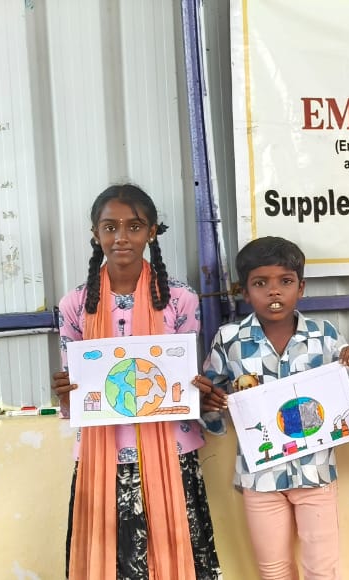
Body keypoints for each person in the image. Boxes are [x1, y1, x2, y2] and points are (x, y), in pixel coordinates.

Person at [50, 184, 224, 579]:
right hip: (103, 457)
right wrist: (65, 392)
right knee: (113, 563)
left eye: (134, 226)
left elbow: (186, 378)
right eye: (110, 227)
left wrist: (200, 393)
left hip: (171, 452)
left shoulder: (179, 298)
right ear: (95, 234)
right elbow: (75, 396)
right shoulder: (76, 304)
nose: (121, 237)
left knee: (175, 554)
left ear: (152, 232)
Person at [198, 236, 349, 580]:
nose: (274, 291)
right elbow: (212, 399)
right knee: (273, 570)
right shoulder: (230, 340)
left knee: (321, 569)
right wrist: (208, 403)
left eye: (285, 281)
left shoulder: (323, 335)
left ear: (301, 287)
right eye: (260, 283)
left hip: (315, 473)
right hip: (259, 475)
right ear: (244, 292)